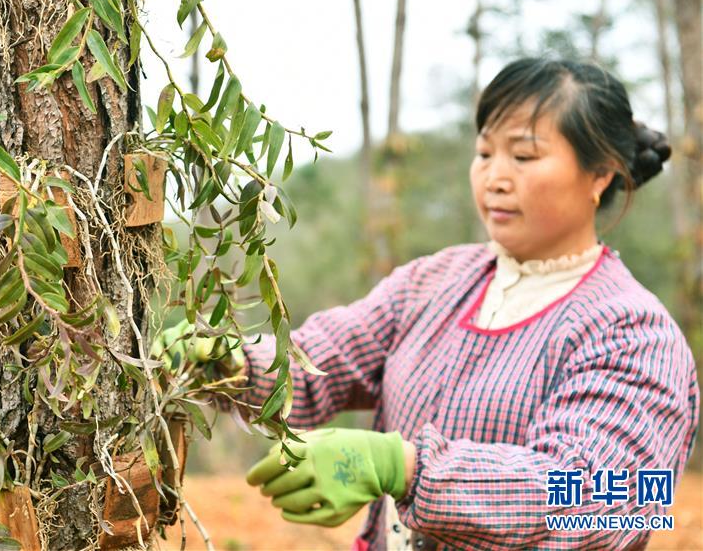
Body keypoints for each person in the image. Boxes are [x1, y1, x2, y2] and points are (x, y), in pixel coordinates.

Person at [157, 58, 700, 550]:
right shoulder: (435, 281)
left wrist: (408, 468)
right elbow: (326, 358)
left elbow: (604, 497)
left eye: (524, 155)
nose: (495, 177)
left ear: (600, 174)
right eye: (485, 153)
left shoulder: (633, 333)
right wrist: (232, 362)